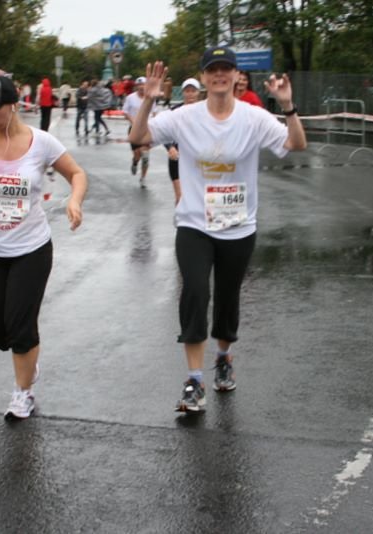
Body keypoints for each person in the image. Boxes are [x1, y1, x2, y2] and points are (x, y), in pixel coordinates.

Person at [128, 47, 307, 413]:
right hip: (194, 224)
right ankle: (194, 379)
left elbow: (295, 145)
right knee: (194, 293)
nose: (219, 75)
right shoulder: (184, 116)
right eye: (213, 69)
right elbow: (138, 138)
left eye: (226, 69)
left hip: (238, 227)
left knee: (227, 298)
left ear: (236, 76)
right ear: (205, 76)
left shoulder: (254, 118)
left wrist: (287, 106)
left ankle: (224, 356)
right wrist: (148, 101)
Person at [0, 74, 87, 420]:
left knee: (21, 326)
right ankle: (28, 362)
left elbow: (77, 174)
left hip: (31, 250)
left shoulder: (41, 143)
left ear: (12, 105)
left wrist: (75, 200)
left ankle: (22, 391)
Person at [165, 77, 202, 205]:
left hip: (199, 159)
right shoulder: (174, 111)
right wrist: (170, 147)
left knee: (199, 197)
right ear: (183, 93)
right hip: (177, 156)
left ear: (199, 92)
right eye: (187, 91)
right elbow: (164, 133)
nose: (190, 94)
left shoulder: (206, 111)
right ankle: (181, 221)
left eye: (193, 91)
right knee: (180, 197)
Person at [122, 76, 158, 187]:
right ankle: (135, 162)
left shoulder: (151, 98)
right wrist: (133, 120)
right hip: (134, 130)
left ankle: (143, 178)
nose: (141, 87)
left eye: (143, 85)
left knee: (146, 156)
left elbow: (155, 112)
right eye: (139, 85)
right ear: (136, 87)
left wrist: (153, 122)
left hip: (147, 130)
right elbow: (125, 112)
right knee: (137, 153)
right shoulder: (130, 98)